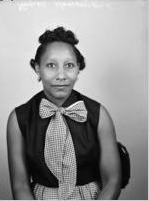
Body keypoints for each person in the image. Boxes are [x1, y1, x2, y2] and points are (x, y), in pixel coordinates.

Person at [7, 26, 121, 200]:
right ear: (38, 69)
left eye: (69, 65)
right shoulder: (18, 119)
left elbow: (112, 180)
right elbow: (20, 185)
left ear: (78, 69)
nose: (61, 75)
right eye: (51, 65)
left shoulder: (99, 114)